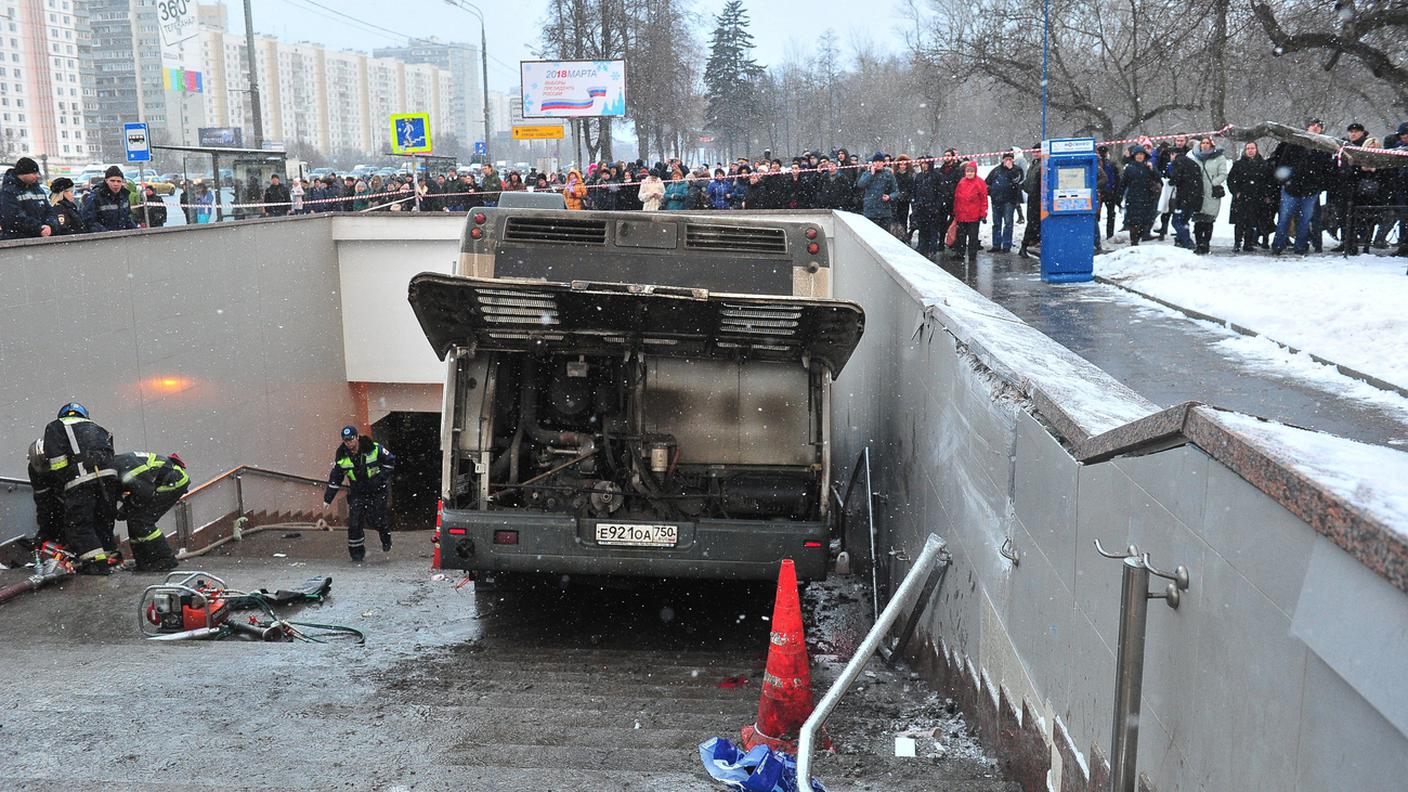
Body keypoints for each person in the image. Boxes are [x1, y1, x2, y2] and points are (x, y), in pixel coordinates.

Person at [41, 403, 119, 574]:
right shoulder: (100, 429)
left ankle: (96, 565)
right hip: (109, 480)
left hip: (81, 480)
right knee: (102, 521)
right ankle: (107, 559)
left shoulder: (56, 426)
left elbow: (57, 461)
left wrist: (64, 482)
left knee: (79, 525)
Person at [323, 426, 396, 561]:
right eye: (346, 441)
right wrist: (328, 498)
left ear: (357, 437)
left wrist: (379, 479)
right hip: (358, 493)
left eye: (351, 439)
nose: (349, 443)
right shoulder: (342, 457)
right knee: (354, 523)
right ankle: (357, 553)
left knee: (378, 520)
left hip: (377, 491)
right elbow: (335, 478)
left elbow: (390, 462)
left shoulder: (374, 449)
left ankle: (386, 538)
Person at [111, 451, 185, 572]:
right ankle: (143, 561)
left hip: (173, 481)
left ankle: (165, 560)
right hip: (162, 482)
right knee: (134, 521)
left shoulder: (123, 466)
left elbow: (144, 492)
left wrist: (126, 508)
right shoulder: (118, 466)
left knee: (142, 521)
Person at [1271, 117, 1333, 255]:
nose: (1316, 127)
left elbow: (1328, 169)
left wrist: (1319, 185)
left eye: (1318, 125)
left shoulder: (1324, 147)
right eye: (1313, 125)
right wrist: (1285, 181)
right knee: (1284, 219)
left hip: (1311, 190)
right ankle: (1278, 245)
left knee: (1305, 220)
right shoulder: (1295, 142)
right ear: (1307, 127)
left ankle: (1300, 246)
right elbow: (1282, 163)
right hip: (1291, 188)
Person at [1227, 141, 1275, 252]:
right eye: (1248, 148)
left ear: (1256, 149)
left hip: (1258, 197)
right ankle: (1237, 242)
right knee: (1239, 222)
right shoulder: (1238, 164)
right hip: (1242, 197)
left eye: (1252, 148)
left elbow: (1270, 181)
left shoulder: (1263, 164)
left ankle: (1248, 243)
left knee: (1253, 222)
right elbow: (1231, 180)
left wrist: (1267, 195)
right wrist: (1236, 192)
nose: (1250, 150)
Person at [1187, 136, 1229, 255]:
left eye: (1207, 143)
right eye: (1203, 143)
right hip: (1196, 192)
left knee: (1208, 221)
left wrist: (1213, 182)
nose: (1205, 145)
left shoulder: (1219, 158)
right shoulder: (1192, 156)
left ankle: (1206, 243)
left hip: (1211, 193)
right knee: (1198, 220)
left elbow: (1223, 174)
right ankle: (1199, 243)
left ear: (1212, 145)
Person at [1, 156, 57, 239]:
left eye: (38, 173)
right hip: (19, 239)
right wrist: (38, 228)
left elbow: (49, 211)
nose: (38, 176)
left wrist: (50, 226)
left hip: (40, 236)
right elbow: (13, 217)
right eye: (34, 173)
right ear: (23, 174)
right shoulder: (8, 192)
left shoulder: (38, 189)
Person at [1118, 147, 1160, 247]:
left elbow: (1158, 179)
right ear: (1134, 156)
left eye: (1142, 154)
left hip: (1147, 197)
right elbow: (1123, 184)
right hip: (1133, 198)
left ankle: (1142, 236)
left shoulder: (1149, 167)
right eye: (1137, 154)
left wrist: (1152, 169)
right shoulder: (1129, 168)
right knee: (1134, 222)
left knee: (1145, 220)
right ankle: (1134, 242)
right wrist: (1119, 197)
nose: (1140, 156)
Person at [27, 439, 64, 545]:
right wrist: (44, 531)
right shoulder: (34, 470)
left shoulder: (62, 464)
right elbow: (42, 500)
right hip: (55, 498)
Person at [951, 161, 989, 263]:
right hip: (961, 215)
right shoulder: (962, 182)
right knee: (961, 236)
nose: (969, 173)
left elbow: (984, 199)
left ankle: (972, 255)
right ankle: (960, 253)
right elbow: (957, 198)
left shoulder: (980, 183)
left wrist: (983, 214)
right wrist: (955, 211)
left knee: (973, 237)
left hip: (974, 216)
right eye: (968, 171)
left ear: (975, 172)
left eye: (971, 171)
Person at [985, 152, 1023, 252]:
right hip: (996, 200)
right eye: (1006, 159)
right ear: (1002, 160)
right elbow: (987, 182)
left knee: (1008, 223)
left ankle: (1006, 245)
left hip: (1009, 200)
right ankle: (996, 245)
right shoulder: (996, 170)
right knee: (996, 223)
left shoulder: (1017, 170)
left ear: (1013, 160)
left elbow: (1017, 180)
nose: (1008, 161)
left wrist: (1011, 169)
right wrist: (991, 191)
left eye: (1010, 159)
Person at [81, 166, 138, 233]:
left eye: (119, 181)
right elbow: (89, 221)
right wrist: (107, 234)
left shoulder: (124, 196)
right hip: (103, 239)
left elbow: (127, 219)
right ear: (106, 181)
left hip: (122, 239)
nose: (116, 184)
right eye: (112, 181)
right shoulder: (95, 197)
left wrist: (136, 232)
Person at [1167, 147, 1202, 250]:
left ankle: (1187, 242)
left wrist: (1170, 181)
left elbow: (1175, 179)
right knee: (1184, 221)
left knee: (1176, 222)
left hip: (1183, 197)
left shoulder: (1177, 162)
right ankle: (1181, 241)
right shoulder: (1193, 163)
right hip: (1194, 197)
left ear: (1174, 154)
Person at [911, 156, 943, 258]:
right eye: (922, 164)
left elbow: (940, 193)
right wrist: (915, 204)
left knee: (933, 230)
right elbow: (915, 192)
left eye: (926, 164)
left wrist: (937, 206)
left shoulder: (936, 176)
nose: (924, 166)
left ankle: (932, 249)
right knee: (922, 229)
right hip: (921, 207)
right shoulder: (919, 176)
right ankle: (921, 246)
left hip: (932, 207)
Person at [857, 154, 899, 229]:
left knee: (884, 237)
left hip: (884, 213)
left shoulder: (888, 175)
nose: (878, 163)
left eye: (880, 161)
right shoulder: (867, 173)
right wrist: (871, 174)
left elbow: (896, 192)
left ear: (883, 163)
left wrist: (889, 197)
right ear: (873, 163)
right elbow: (860, 184)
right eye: (876, 161)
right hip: (870, 212)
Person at [1017, 146, 1043, 258]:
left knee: (1034, 223)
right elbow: (1029, 180)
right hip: (1033, 197)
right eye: (1034, 152)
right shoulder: (1034, 164)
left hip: (1040, 198)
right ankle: (1027, 245)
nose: (1036, 154)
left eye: (1038, 151)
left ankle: (1026, 245)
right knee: (1032, 222)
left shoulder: (1043, 164)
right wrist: (1023, 186)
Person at [1095, 146, 1121, 240]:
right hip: (1110, 193)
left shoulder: (1096, 163)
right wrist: (1116, 192)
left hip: (1099, 193)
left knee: (1097, 215)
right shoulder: (1111, 164)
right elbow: (1117, 179)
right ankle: (1109, 235)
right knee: (1111, 214)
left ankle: (1096, 235)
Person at [890, 155, 914, 238]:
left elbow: (911, 189)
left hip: (904, 201)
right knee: (894, 220)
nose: (902, 166)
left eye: (904, 164)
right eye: (901, 164)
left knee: (903, 220)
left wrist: (906, 195)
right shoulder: (894, 175)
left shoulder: (910, 176)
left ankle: (903, 237)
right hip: (895, 201)